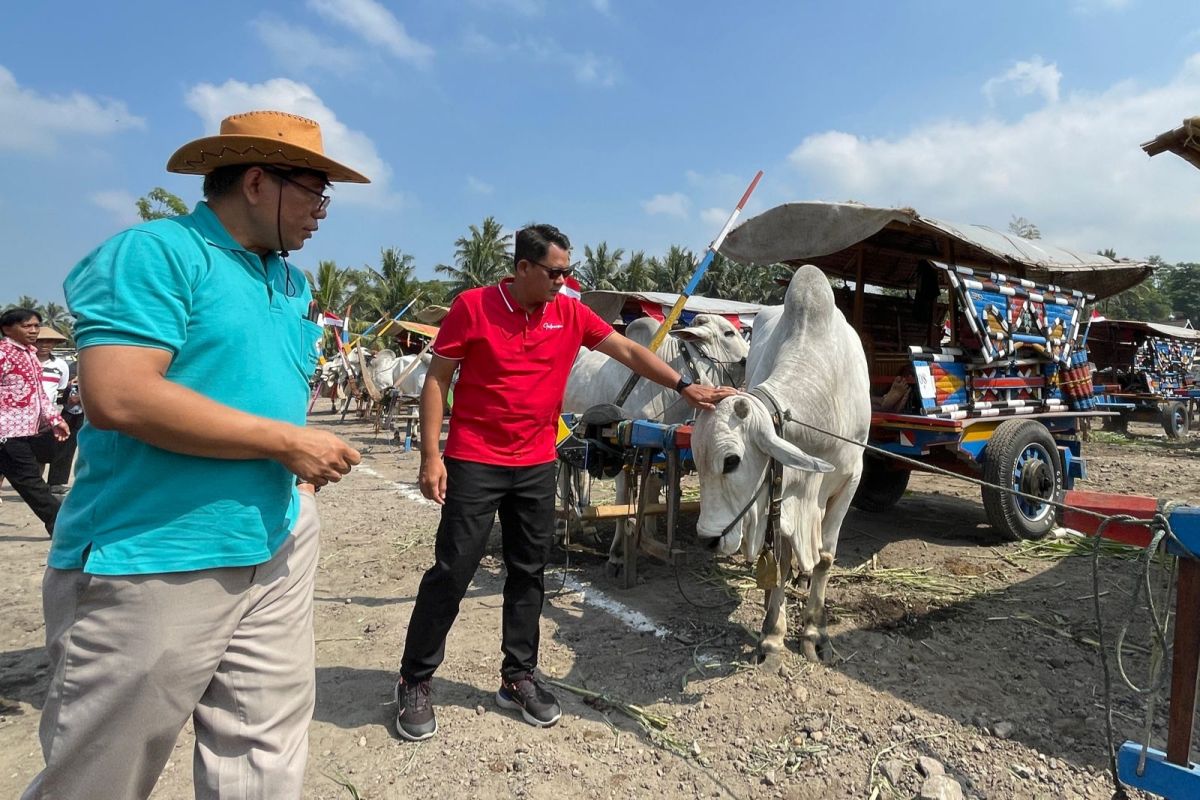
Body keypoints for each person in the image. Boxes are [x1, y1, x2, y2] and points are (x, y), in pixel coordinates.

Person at [23, 110, 368, 800]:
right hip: (157, 549)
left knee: (263, 750)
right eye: (314, 191)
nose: (322, 213)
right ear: (255, 180)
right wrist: (288, 442)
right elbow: (119, 396)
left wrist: (291, 484)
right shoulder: (157, 253)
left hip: (273, 538)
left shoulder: (291, 283)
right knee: (102, 771)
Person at [394, 224, 737, 741]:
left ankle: (518, 678)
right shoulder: (473, 307)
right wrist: (430, 455)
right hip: (476, 460)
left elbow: (627, 351)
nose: (564, 281)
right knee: (453, 570)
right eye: (555, 272)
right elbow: (438, 379)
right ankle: (415, 679)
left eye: (568, 272)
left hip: (536, 462)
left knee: (529, 571)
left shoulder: (569, 312)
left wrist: (686, 386)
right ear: (523, 269)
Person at [0, 309, 70, 535]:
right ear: (7, 328)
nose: (33, 331)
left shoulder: (29, 354)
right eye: (26, 326)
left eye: (35, 326)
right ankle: (61, 525)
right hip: (6, 431)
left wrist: (55, 418)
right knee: (31, 481)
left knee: (30, 479)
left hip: (24, 430)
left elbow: (39, 393)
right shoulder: (3, 354)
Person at [33, 326, 76, 495]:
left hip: (46, 416)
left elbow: (61, 388)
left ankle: (36, 488)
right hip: (21, 414)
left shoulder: (61, 365)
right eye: (40, 341)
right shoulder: (25, 360)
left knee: (41, 453)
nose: (45, 345)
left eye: (49, 341)